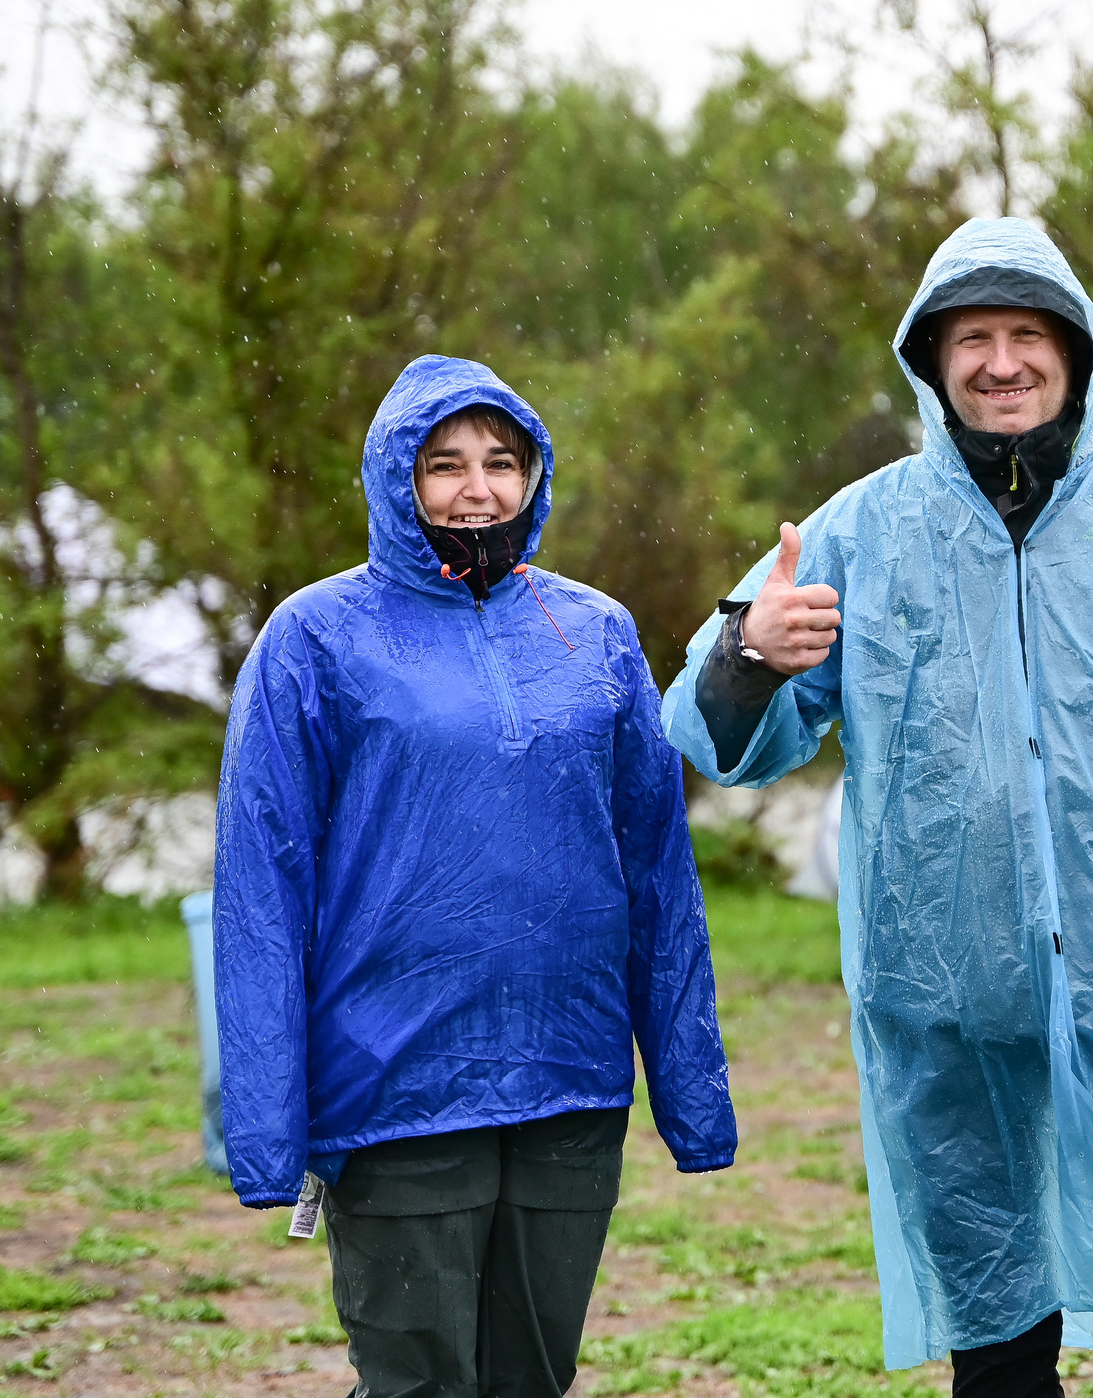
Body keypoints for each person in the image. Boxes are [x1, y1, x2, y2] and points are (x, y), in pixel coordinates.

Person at [661, 219, 1093, 1398]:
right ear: (930, 361)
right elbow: (714, 737)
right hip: (948, 999)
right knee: (995, 1342)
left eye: (1027, 334)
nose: (1001, 363)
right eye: (972, 339)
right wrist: (750, 655)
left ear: (1074, 351)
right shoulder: (860, 530)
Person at [216, 355, 736, 1398]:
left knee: (534, 1378)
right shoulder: (313, 640)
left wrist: (690, 1095)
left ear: (534, 475)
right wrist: (269, 1130)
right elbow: (261, 894)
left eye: (502, 461)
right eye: (443, 464)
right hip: (395, 1086)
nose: (478, 489)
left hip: (570, 1077)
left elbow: (657, 879)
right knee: (416, 1383)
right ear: (395, 477)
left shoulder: (596, 633)